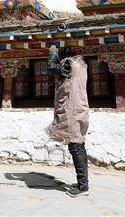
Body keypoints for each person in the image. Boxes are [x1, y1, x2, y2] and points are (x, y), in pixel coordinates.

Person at [45, 45, 90, 197]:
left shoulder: (68, 63)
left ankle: (83, 187)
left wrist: (52, 53)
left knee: (75, 147)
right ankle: (83, 183)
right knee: (79, 144)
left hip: (71, 109)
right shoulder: (81, 66)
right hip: (81, 109)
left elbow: (52, 68)